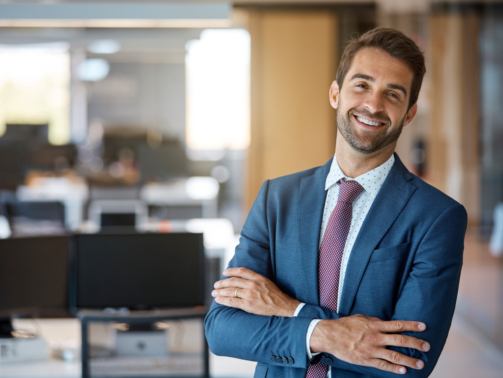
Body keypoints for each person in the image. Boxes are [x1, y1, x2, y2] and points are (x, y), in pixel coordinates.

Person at [205, 27, 467, 378]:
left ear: (409, 113)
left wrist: (291, 310)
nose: (373, 105)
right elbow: (222, 329)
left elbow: (406, 359)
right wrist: (325, 334)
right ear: (335, 93)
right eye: (362, 85)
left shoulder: (437, 217)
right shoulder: (276, 199)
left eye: (392, 94)